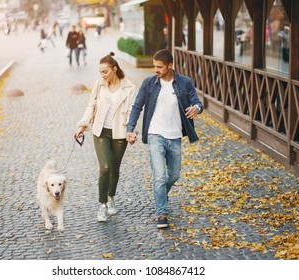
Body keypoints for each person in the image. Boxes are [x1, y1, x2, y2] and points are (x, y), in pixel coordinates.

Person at [126, 49, 203, 229]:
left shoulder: (184, 82)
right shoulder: (149, 83)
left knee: (174, 175)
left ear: (170, 65)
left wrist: (197, 108)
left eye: (159, 67)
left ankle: (161, 194)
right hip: (155, 134)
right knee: (159, 176)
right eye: (154, 66)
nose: (156, 70)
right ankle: (162, 213)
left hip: (175, 135)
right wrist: (130, 129)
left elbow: (197, 101)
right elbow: (137, 106)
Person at [74, 52, 137, 222]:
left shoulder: (129, 88)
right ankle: (102, 205)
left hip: (120, 133)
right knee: (106, 167)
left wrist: (131, 131)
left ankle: (111, 198)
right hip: (100, 131)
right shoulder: (100, 84)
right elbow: (91, 105)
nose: (102, 75)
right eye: (100, 72)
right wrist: (82, 125)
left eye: (105, 71)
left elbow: (133, 111)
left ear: (114, 69)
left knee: (115, 168)